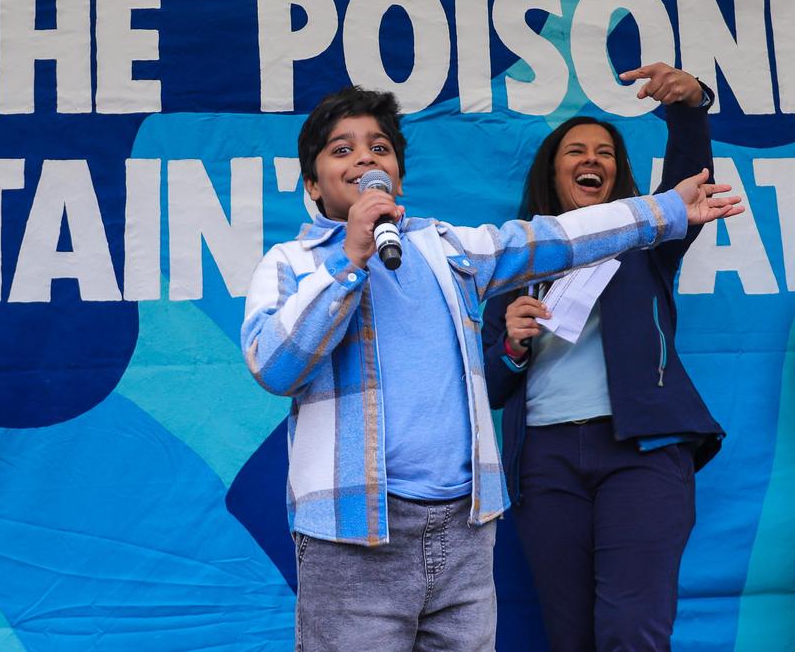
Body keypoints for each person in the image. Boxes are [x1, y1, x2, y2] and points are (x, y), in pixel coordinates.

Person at [239, 85, 742, 652]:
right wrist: (350, 260)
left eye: (380, 147)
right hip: (356, 531)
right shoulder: (291, 264)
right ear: (312, 184)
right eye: (341, 150)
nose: (365, 159)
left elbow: (558, 235)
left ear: (398, 174)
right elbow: (275, 367)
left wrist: (667, 210)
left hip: (463, 527)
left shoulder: (450, 248)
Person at [480, 63, 725, 652]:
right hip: (546, 463)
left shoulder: (649, 241)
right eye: (575, 151)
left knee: (630, 632)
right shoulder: (514, 261)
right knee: (571, 638)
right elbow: (487, 387)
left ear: (617, 173)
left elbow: (689, 188)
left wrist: (690, 107)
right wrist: (512, 346)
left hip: (641, 453)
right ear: (553, 169)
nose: (591, 160)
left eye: (604, 152)